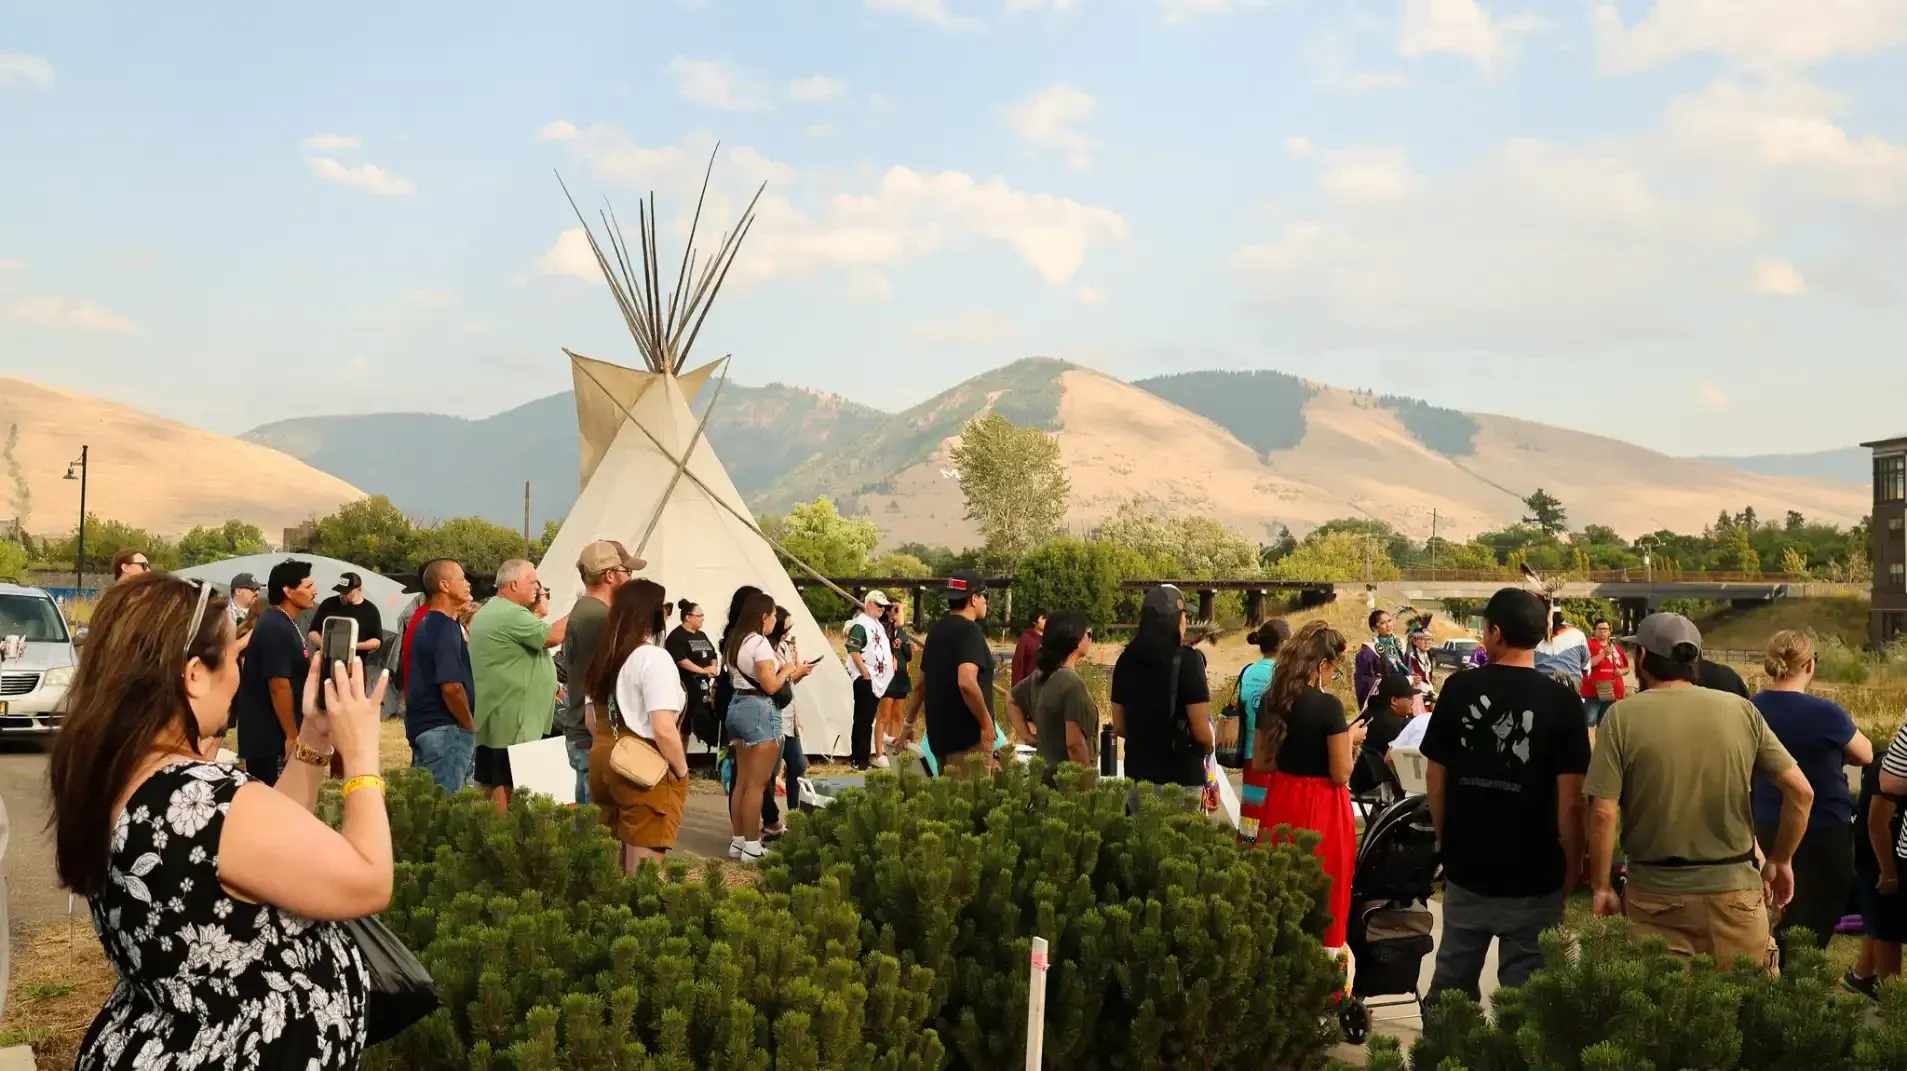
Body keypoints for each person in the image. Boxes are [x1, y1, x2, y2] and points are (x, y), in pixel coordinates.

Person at [50, 572, 391, 1069]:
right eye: (233, 658)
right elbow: (370, 880)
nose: (238, 674)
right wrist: (361, 758)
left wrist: (316, 737)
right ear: (193, 674)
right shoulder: (207, 799)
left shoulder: (119, 775)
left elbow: (263, 849)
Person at [1586, 612, 1814, 970]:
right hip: (1736, 892)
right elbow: (1801, 792)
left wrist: (1601, 886)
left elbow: (1603, 811)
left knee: (1664, 1014)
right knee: (1745, 1013)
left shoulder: (1620, 716)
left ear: (1642, 659)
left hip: (1655, 896)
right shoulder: (1741, 710)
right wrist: (1780, 859)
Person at [1422, 588, 1589, 1004]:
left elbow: (1436, 778)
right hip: (1536, 873)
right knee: (1529, 1003)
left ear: (1496, 632)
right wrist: (1572, 867)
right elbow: (1572, 800)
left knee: (1451, 995)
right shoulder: (1565, 703)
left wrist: (1446, 841)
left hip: (1469, 868)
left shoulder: (1459, 690)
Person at [1239, 620, 1362, 961]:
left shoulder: (1273, 700)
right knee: (1325, 895)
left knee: (1280, 889)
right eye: (1334, 668)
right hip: (1323, 807)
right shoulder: (1329, 707)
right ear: (1322, 664)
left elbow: (1262, 763)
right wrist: (1351, 739)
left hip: (1281, 801)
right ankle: (1324, 984)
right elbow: (1340, 773)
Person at [1750, 630, 1872, 952]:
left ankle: (1768, 969)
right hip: (1824, 827)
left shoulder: (1749, 709)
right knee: (1818, 913)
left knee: (1768, 908)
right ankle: (1796, 980)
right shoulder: (1827, 713)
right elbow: (1866, 754)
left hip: (1765, 824)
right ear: (1810, 666)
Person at [585, 578, 688, 871]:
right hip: (643, 764)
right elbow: (663, 727)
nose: (667, 614)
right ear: (651, 612)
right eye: (666, 607)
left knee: (616, 862)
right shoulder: (653, 657)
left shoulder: (604, 654)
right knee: (644, 873)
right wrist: (680, 771)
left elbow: (590, 719)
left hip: (604, 755)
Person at [470, 558, 569, 813]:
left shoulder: (498, 610)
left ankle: (485, 833)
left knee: (494, 779)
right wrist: (587, 606)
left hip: (503, 713)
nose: (538, 587)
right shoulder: (510, 613)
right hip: (512, 718)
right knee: (506, 783)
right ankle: (500, 839)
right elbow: (552, 636)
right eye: (533, 581)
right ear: (513, 584)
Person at [724, 592, 811, 862]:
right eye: (774, 616)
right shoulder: (759, 643)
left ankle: (738, 840)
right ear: (764, 617)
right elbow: (771, 685)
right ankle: (752, 845)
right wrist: (787, 670)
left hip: (737, 706)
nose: (777, 621)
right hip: (759, 710)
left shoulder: (735, 640)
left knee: (741, 782)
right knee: (757, 785)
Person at [559, 541, 640, 805]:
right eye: (625, 572)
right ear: (609, 575)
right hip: (593, 732)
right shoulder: (600, 617)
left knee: (588, 819)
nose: (629, 578)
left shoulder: (584, 610)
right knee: (596, 824)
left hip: (582, 728)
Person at [1109, 585, 1213, 790]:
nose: (1186, 621)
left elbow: (1119, 726)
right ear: (1174, 619)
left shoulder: (1126, 660)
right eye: (1184, 615)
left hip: (1138, 775)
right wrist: (1208, 749)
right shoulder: (1188, 660)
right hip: (1181, 777)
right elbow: (1201, 732)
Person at [903, 572, 999, 776]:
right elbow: (966, 681)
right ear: (974, 598)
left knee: (950, 799)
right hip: (968, 741)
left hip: (940, 739)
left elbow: (921, 684)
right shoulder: (970, 632)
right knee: (973, 802)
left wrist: (908, 723)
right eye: (985, 596)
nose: (985, 602)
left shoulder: (936, 631)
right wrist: (986, 722)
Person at [235, 558, 316, 785]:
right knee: (277, 802)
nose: (315, 591)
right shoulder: (274, 627)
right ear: (288, 591)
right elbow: (278, 684)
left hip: (275, 736)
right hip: (270, 740)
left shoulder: (284, 622)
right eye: (308, 587)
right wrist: (291, 735)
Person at [405, 559, 477, 793]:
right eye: (462, 578)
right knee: (445, 809)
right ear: (444, 585)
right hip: (444, 729)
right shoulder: (446, 627)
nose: (467, 584)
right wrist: (468, 724)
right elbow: (451, 686)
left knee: (427, 806)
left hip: (424, 726)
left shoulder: (425, 622)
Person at [1008, 609, 1098, 779]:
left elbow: (1010, 699)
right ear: (1076, 640)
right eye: (1089, 633)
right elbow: (1074, 745)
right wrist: (1088, 789)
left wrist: (1027, 736)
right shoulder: (1072, 684)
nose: (1091, 639)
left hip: (1044, 778)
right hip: (1067, 785)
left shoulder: (1040, 675)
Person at [1851, 741, 1905, 997]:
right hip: (1876, 849)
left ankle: (1862, 974)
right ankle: (1889, 1000)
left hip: (1891, 845)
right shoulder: (1884, 773)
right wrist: (1889, 872)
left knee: (1883, 921)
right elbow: (1876, 824)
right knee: (1884, 922)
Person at [760, 606, 808, 837]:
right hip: (776, 717)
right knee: (770, 772)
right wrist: (795, 673)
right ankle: (771, 821)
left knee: (798, 765)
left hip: (789, 716)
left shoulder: (785, 648)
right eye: (786, 627)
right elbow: (773, 685)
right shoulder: (765, 650)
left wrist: (797, 673)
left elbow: (787, 685)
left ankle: (794, 815)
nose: (789, 632)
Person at [845, 591, 895, 771]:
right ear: (868, 604)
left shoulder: (877, 625)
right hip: (866, 678)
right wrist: (864, 672)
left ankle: (863, 758)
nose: (882, 609)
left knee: (867, 720)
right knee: (863, 720)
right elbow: (853, 648)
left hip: (876, 678)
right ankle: (859, 760)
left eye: (884, 606)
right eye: (878, 605)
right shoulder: (860, 624)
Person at [664, 599, 720, 749]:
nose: (702, 618)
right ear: (688, 617)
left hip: (703, 686)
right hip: (686, 685)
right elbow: (681, 660)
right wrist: (703, 670)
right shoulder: (677, 636)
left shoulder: (701, 635)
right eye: (699, 615)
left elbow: (713, 654)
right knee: (683, 725)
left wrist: (713, 667)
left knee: (698, 722)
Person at [1234, 620, 1290, 769]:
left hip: (1249, 757)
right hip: (1274, 760)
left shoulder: (1247, 671)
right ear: (1284, 643)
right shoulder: (1285, 674)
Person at [1354, 674, 1420, 796]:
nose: (1413, 701)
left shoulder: (1368, 714)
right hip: (1374, 786)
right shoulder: (1393, 725)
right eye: (1410, 697)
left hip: (1356, 781)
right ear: (1394, 700)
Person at [308, 571, 385, 671]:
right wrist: (326, 645)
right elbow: (312, 632)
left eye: (347, 593)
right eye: (341, 592)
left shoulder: (370, 610)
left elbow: (376, 642)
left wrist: (350, 646)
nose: (343, 596)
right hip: (327, 663)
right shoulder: (329, 604)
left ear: (359, 590)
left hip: (355, 665)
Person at [877, 601, 915, 762]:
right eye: (896, 610)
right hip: (887, 676)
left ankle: (893, 749)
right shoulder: (884, 628)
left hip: (901, 675)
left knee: (898, 716)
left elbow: (908, 655)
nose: (899, 613)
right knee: (884, 715)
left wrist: (905, 648)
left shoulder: (903, 633)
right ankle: (879, 752)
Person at [1354, 609, 1407, 712]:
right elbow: (1362, 678)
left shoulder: (1401, 645)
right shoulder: (1369, 651)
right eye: (1382, 623)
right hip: (1383, 699)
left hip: (1402, 697)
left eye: (1389, 621)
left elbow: (1408, 667)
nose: (1388, 625)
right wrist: (1381, 683)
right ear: (1374, 628)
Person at [1581, 617, 1630, 727]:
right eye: (1600, 629)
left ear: (1609, 631)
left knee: (1606, 725)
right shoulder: (1588, 645)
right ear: (1595, 630)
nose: (1603, 632)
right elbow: (1586, 664)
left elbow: (1627, 668)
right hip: (1593, 693)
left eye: (1605, 629)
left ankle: (1600, 744)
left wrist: (1622, 671)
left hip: (1614, 693)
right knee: (1589, 723)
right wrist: (1603, 654)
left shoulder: (1616, 648)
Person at [1532, 609, 1588, 690]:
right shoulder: (1578, 634)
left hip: (1540, 686)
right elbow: (1584, 663)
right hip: (1570, 686)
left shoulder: (1530, 635)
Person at [1011, 611, 1046, 687]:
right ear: (1034, 622)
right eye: (1043, 618)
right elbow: (1018, 662)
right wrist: (1016, 686)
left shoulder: (1050, 638)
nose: (1046, 621)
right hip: (1029, 684)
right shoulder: (1026, 638)